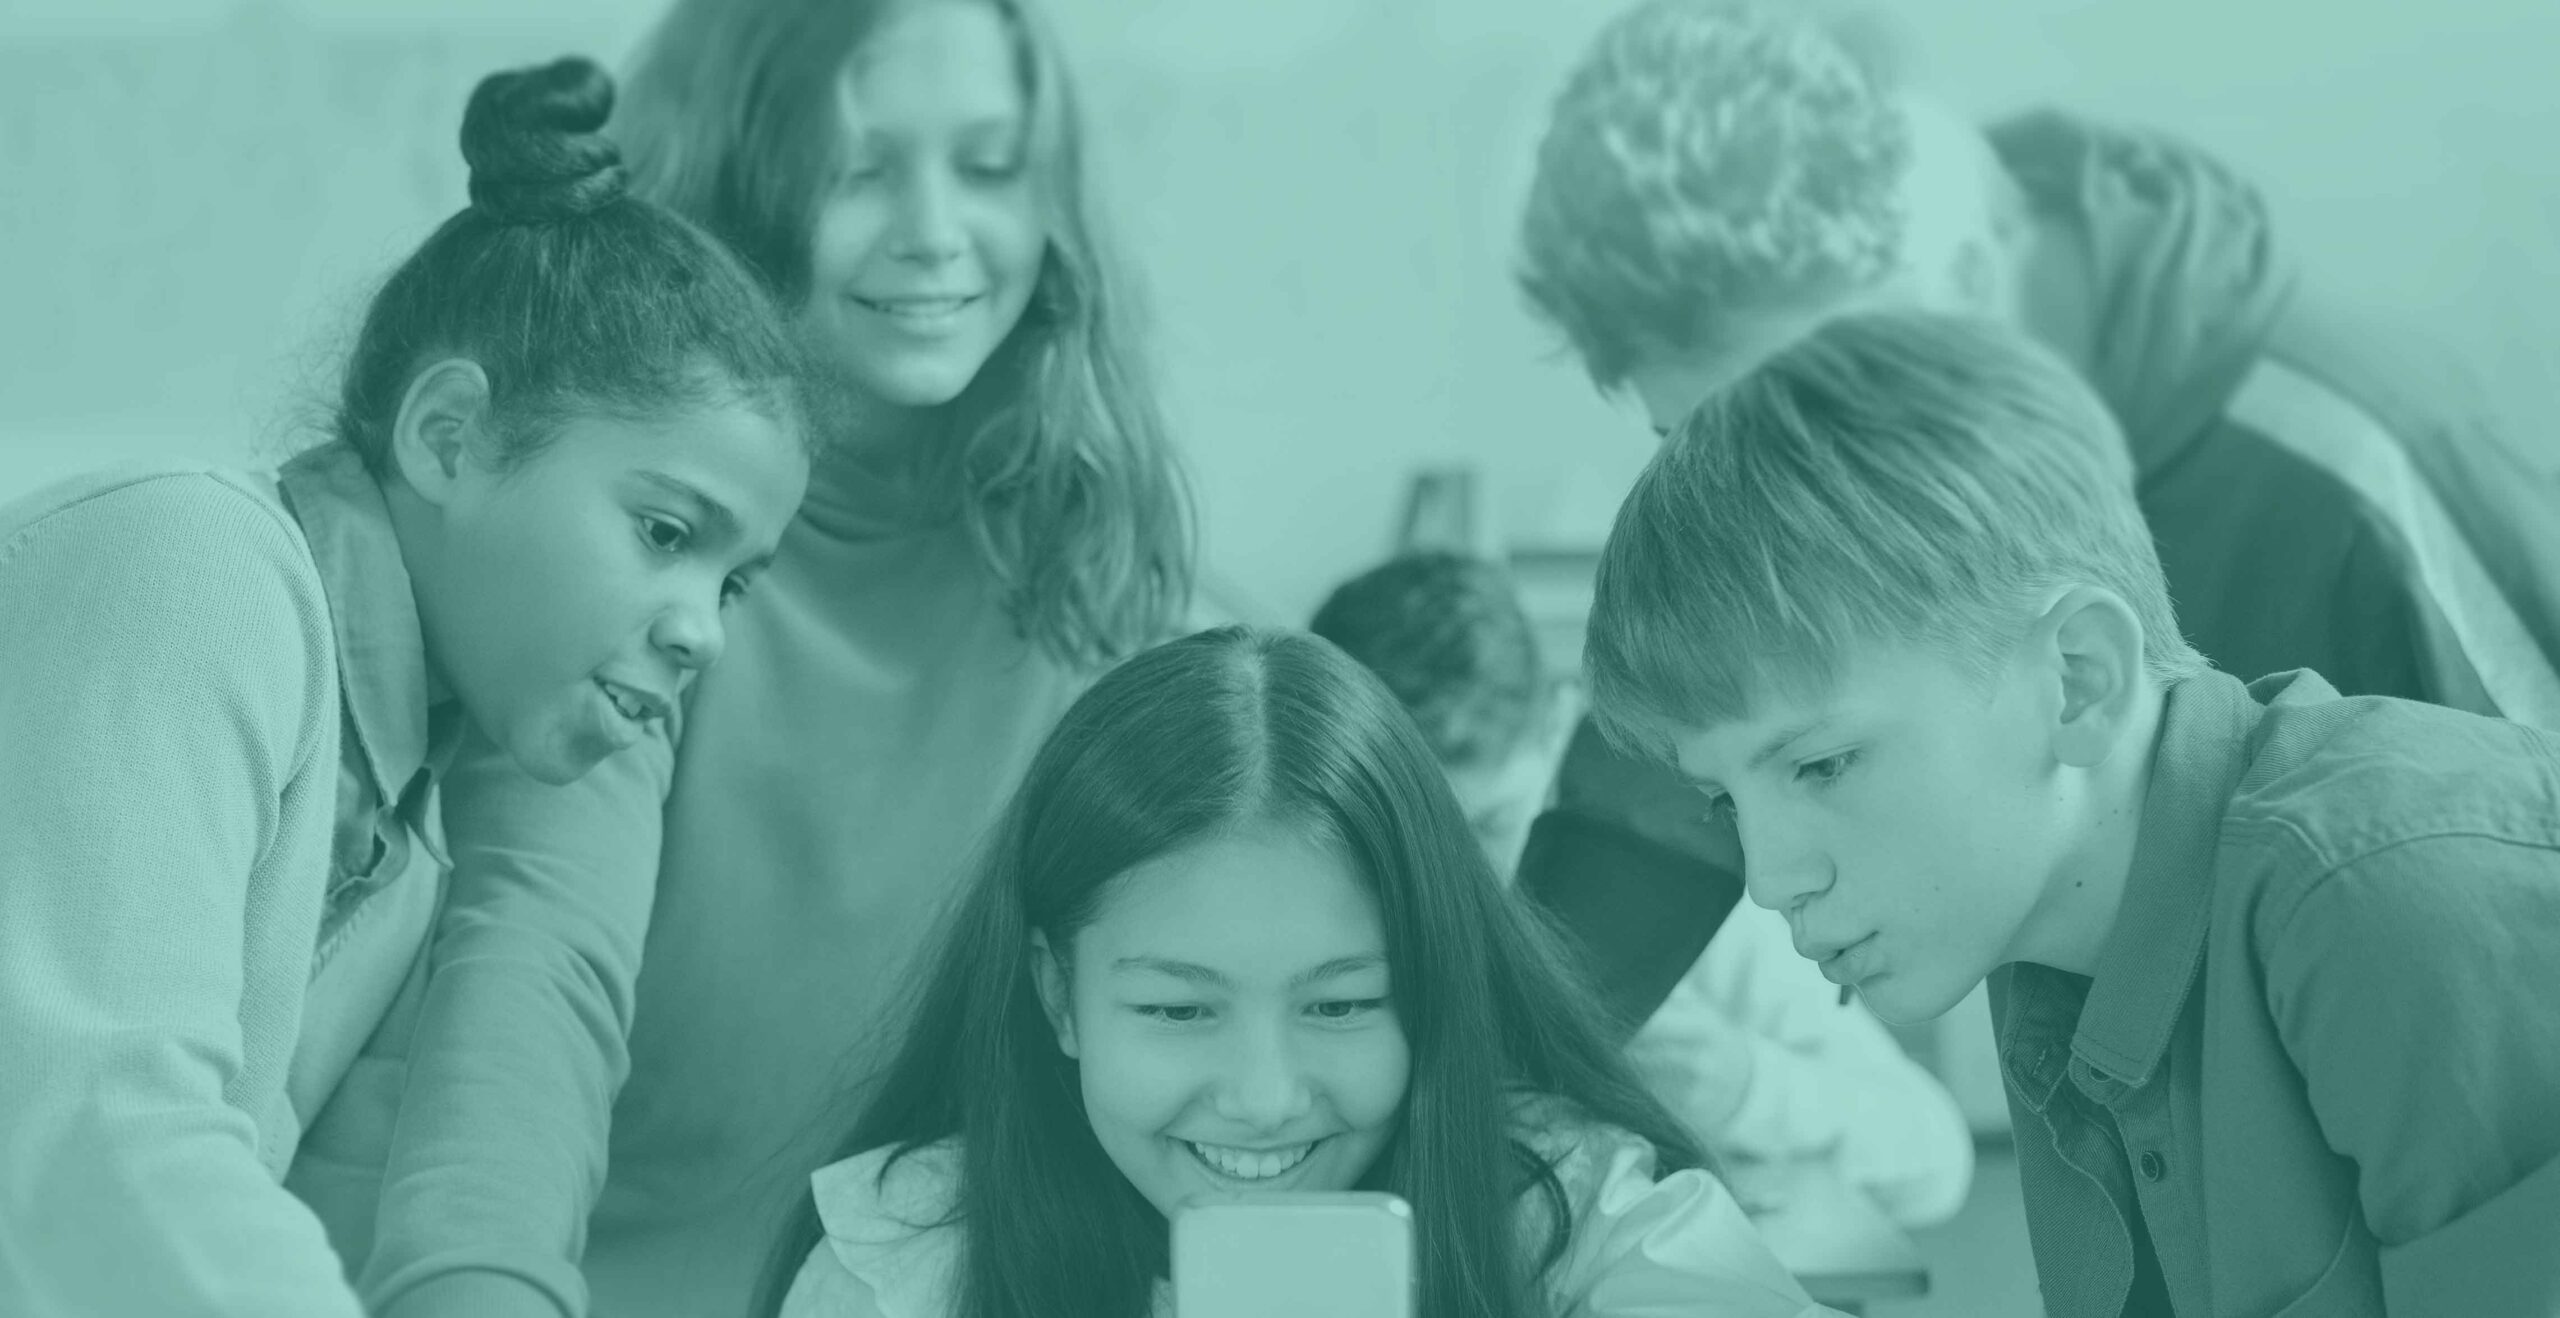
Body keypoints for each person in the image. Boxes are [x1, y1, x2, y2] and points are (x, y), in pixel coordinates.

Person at [351, 2, 1196, 1313]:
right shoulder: (640, 565)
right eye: (858, 170)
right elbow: (532, 973)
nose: (932, 230)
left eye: (987, 165)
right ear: (738, 186)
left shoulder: (1103, 576)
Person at [0, 56, 810, 1318]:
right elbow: (99, 1139)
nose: (703, 633)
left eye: (736, 583)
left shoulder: (405, 842)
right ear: (450, 437)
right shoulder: (188, 565)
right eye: (665, 532)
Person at [1584, 310, 2560, 1316]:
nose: (1768, 877)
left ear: (2078, 680)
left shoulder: (2387, 895)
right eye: (1722, 803)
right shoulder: (2044, 947)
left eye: (1823, 764)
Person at [1518, 0, 2560, 728]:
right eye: (1689, 446)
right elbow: (1636, 838)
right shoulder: (1815, 457)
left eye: (1807, 419)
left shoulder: (2360, 474)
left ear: (1964, 277)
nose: (1770, 509)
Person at [761, 626, 1841, 1318]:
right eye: (1178, 1007)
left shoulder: (1559, 1203)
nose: (1266, 1097)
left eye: (1343, 1003)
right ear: (1059, 996)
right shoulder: (911, 1257)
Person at [1313, 552, 1972, 1228]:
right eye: (1405, 842)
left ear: (1559, 729)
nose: (1457, 879)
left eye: (1488, 823)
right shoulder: (1306, 925)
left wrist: (1742, 1084)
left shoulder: (1683, 902)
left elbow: (1935, 1162)